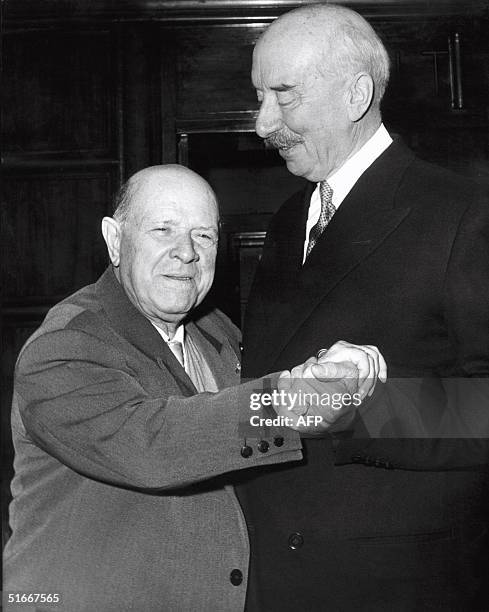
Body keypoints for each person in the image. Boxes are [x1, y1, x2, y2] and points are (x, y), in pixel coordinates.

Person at [3, 164, 385, 612]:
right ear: (114, 241)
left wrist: (353, 387)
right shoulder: (66, 344)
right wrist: (286, 402)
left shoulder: (215, 331)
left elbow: (264, 433)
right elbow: (152, 444)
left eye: (203, 236)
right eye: (163, 229)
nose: (185, 252)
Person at [238, 4, 489, 611]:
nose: (262, 122)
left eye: (284, 94)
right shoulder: (286, 221)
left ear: (356, 95)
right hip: (271, 572)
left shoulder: (465, 214)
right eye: (259, 96)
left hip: (393, 584)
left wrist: (362, 408)